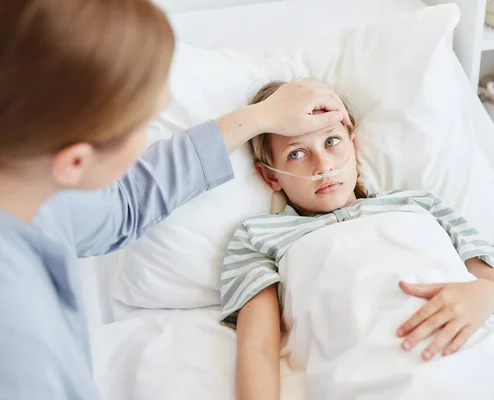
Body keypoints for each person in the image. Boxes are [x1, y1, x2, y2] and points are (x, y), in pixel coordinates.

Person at [0, 2, 352, 399]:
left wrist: (261, 116)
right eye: (142, 126)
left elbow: (130, 199)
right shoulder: (22, 346)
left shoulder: (30, 184)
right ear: (74, 162)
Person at [219, 81, 494, 399]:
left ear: (354, 147)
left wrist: (487, 295)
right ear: (270, 176)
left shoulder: (421, 204)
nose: (323, 165)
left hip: (482, 360)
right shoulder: (258, 237)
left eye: (331, 141)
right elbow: (257, 348)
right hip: (373, 378)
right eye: (297, 153)